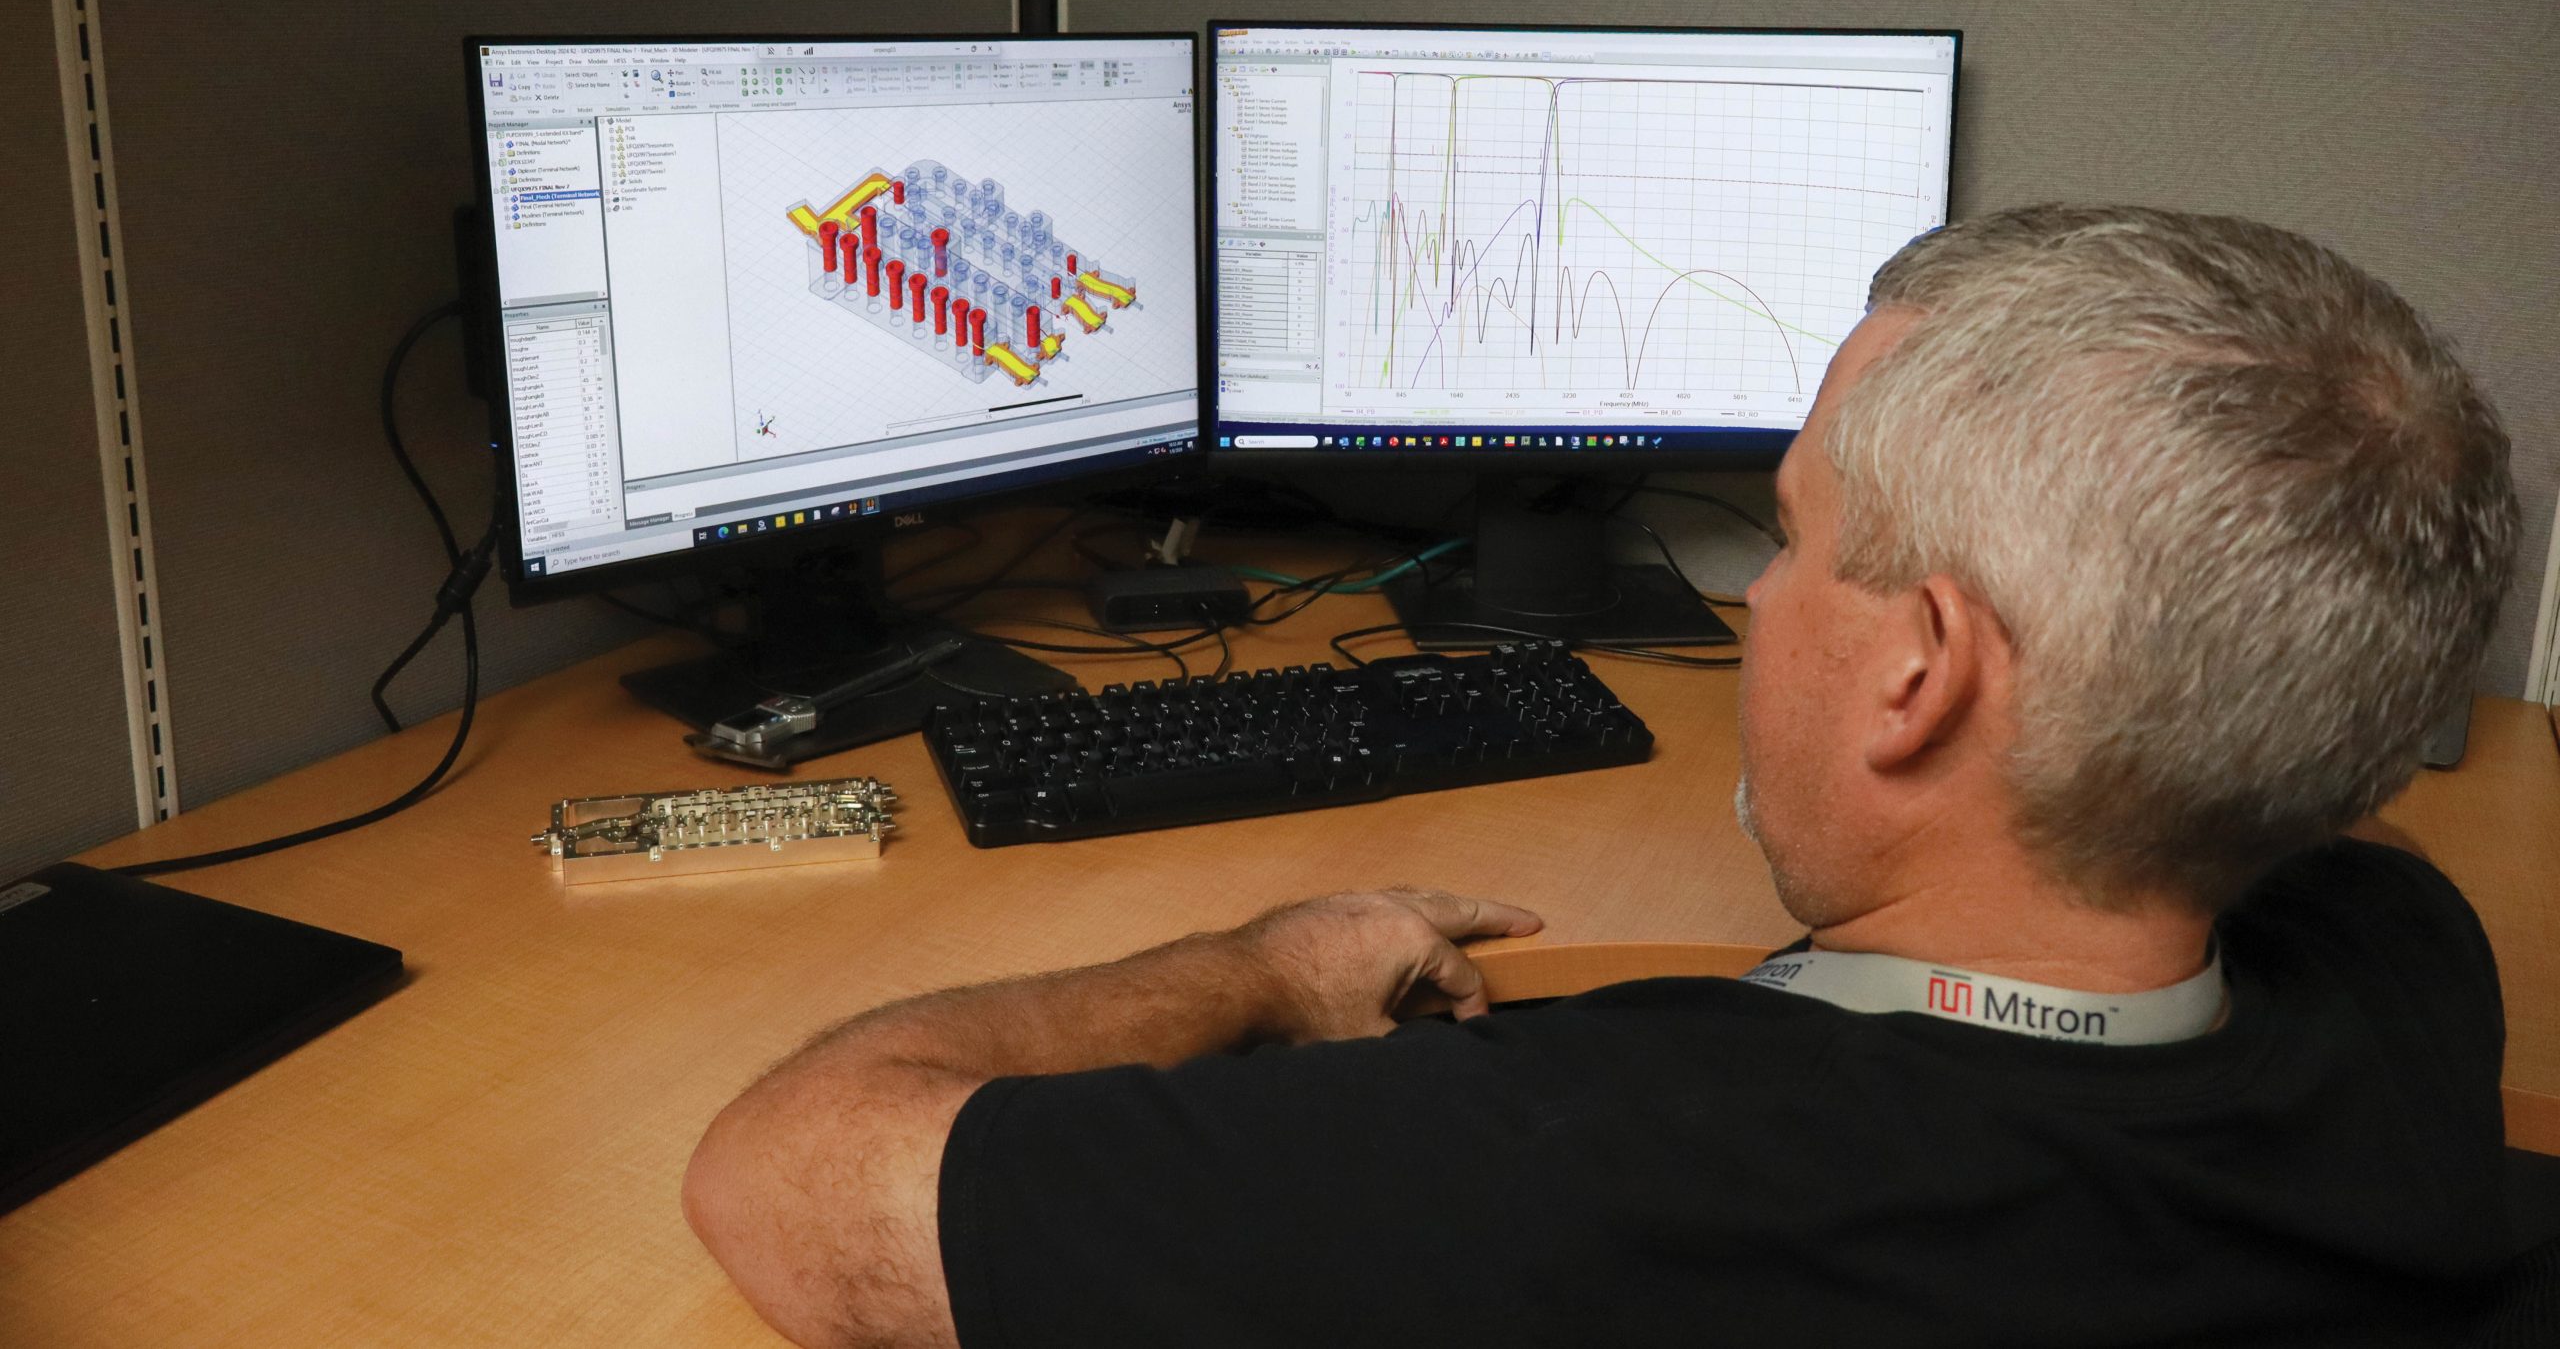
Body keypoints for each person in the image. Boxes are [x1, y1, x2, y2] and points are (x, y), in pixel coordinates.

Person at [683, 205, 2522, 1349]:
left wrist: (1259, 970)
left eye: (1790, 542)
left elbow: (791, 1189)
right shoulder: (2408, 960)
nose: (1763, 598)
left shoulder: (1576, 1176)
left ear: (1917, 674)